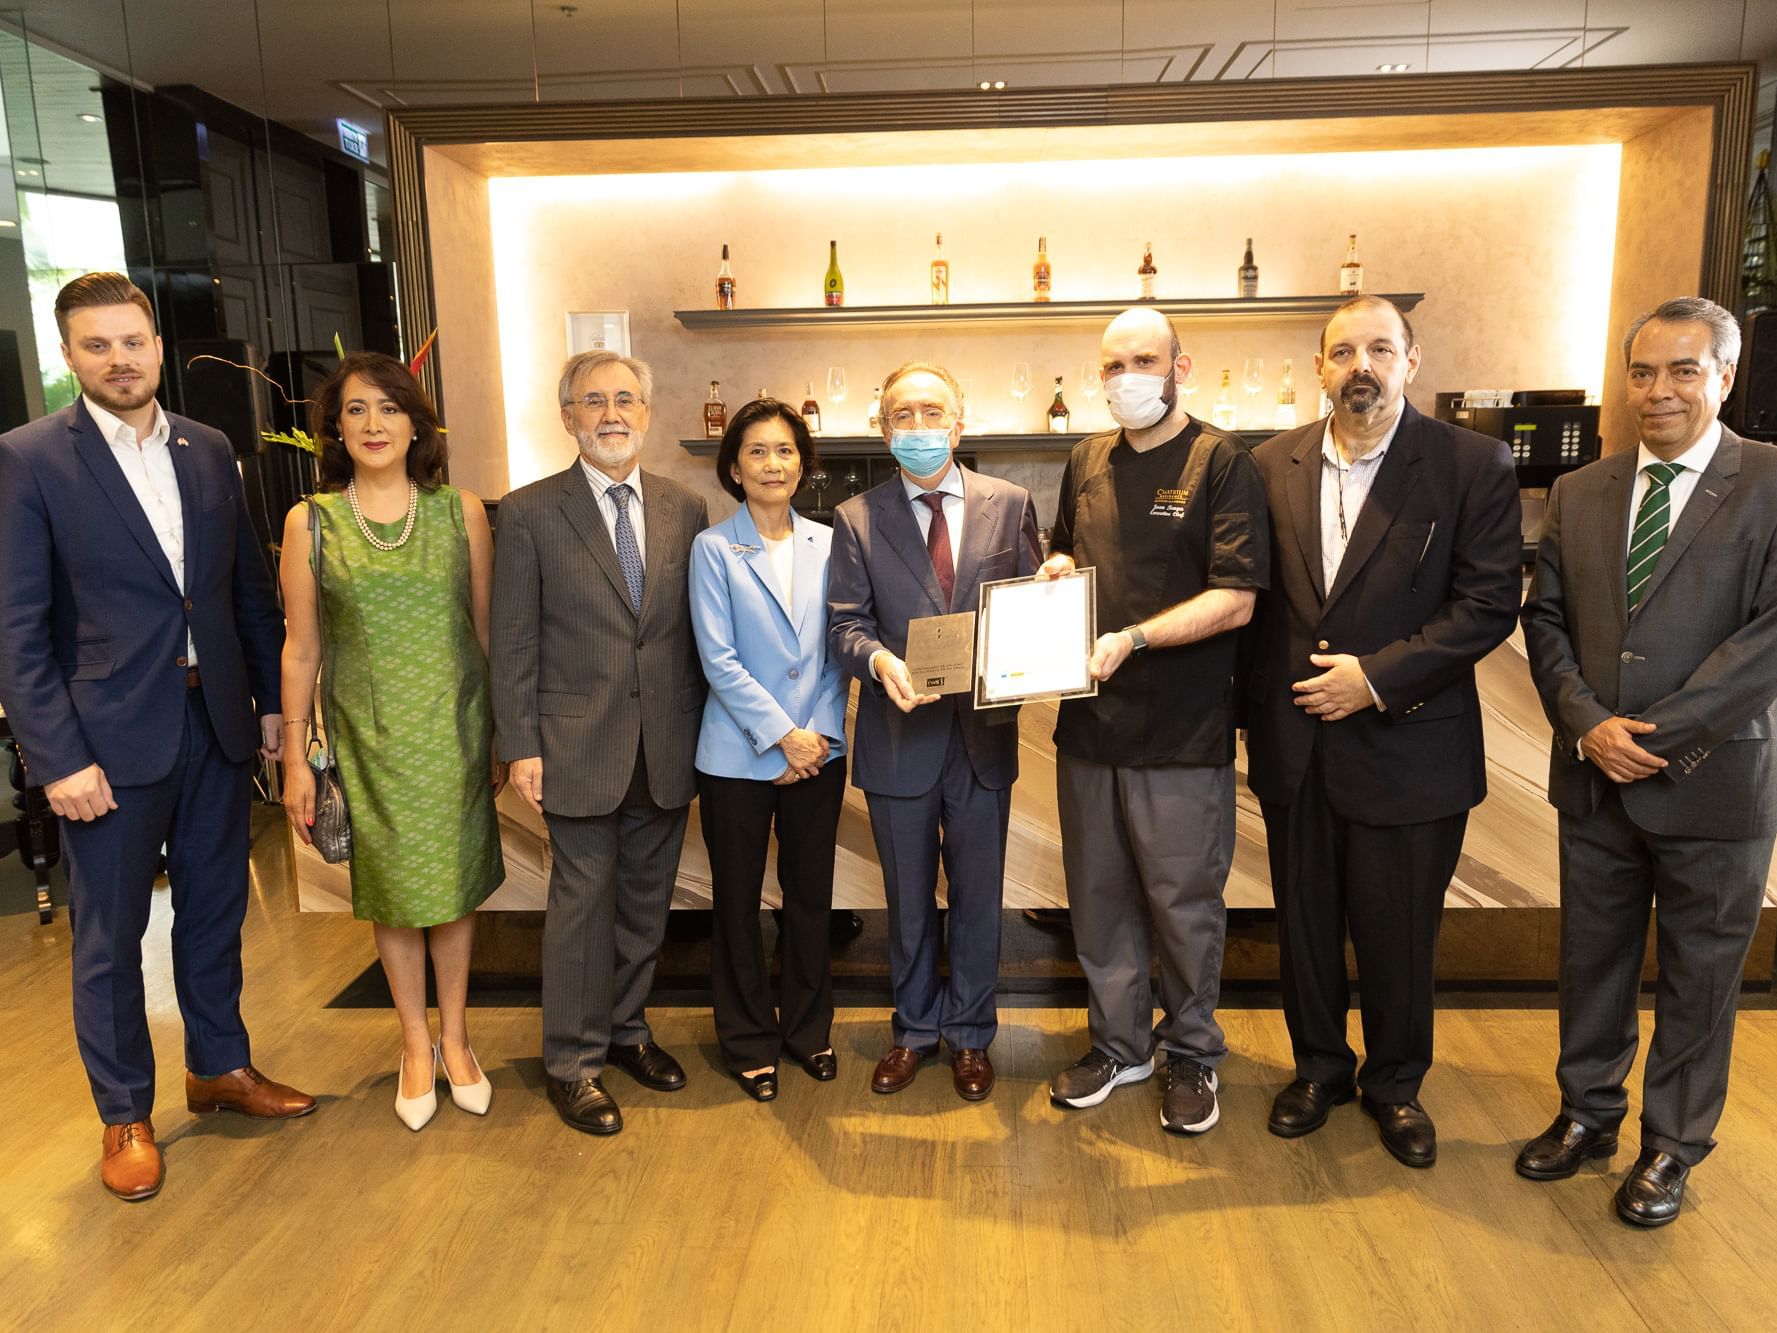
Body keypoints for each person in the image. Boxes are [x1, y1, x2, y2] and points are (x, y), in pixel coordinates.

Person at [0, 272, 312, 1202]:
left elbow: (242, 586)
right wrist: (54, 758)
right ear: (69, 356)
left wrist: (263, 702)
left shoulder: (208, 447)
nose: (119, 359)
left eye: (132, 341)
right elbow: (16, 627)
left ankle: (220, 1066)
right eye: (97, 345)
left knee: (217, 911)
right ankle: (124, 1113)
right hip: (103, 741)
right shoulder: (28, 458)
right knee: (110, 939)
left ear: (158, 346)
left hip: (211, 717)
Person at [1517, 297, 1777, 1227]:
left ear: (1724, 378)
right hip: (1593, 775)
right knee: (1590, 959)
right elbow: (1542, 617)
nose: (1656, 391)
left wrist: (1653, 737)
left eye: (1681, 371)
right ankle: (1587, 1114)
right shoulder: (1581, 490)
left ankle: (1671, 1146)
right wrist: (1586, 723)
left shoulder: (1770, 482)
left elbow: (1767, 639)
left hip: (1713, 783)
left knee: (1702, 978)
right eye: (1640, 371)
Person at [1245, 295, 1521, 1167]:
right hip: (1296, 746)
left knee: (1400, 930)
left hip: (1410, 746)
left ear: (1410, 359)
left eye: (1378, 348)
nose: (1358, 365)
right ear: (1317, 367)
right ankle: (1319, 1067)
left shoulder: (1471, 463)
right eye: (1341, 351)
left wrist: (1372, 679)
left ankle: (1395, 1084)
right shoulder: (1265, 464)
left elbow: (1485, 606)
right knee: (1306, 925)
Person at [1040, 308, 1268, 1135]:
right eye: (1111, 364)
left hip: (1181, 730)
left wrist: (1133, 636)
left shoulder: (1221, 461)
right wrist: (1058, 569)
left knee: (1183, 903)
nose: (1125, 376)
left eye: (1143, 359)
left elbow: (1235, 598)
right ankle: (1118, 1043)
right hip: (1089, 725)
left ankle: (1193, 1054)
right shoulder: (1084, 457)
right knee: (1098, 901)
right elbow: (1065, 548)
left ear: (1180, 366)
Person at [277, 352, 506, 1132]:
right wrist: (296, 761)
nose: (373, 424)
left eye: (389, 408)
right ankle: (415, 1045)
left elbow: (483, 631)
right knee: (397, 895)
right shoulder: (310, 523)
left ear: (416, 423)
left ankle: (458, 1039)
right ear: (335, 429)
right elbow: (301, 650)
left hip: (455, 730)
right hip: (366, 739)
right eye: (355, 411)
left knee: (452, 889)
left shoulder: (460, 512)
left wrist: (502, 730)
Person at [490, 350, 708, 1136]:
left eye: (625, 399)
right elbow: (510, 640)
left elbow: (691, 634)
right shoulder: (527, 513)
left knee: (646, 905)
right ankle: (572, 1062)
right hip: (573, 745)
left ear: (647, 412)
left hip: (666, 742)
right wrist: (519, 745)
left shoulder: (686, 506)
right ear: (568, 417)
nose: (611, 412)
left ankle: (626, 1029)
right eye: (593, 401)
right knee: (581, 908)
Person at [827, 360, 1041, 1101]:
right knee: (908, 898)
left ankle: (972, 1036)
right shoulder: (855, 518)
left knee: (978, 896)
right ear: (883, 429)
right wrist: (879, 658)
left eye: (931, 412)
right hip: (897, 737)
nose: (917, 427)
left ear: (959, 420)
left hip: (982, 740)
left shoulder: (1010, 504)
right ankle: (914, 1029)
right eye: (901, 415)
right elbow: (844, 625)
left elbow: (1033, 610)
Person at [690, 399, 848, 1102]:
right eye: (756, 451)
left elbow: (842, 644)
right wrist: (780, 732)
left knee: (810, 900)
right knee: (736, 901)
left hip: (817, 749)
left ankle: (809, 1029)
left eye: (784, 450)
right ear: (733, 467)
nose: (772, 463)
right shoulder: (712, 548)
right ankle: (748, 1038)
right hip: (737, 753)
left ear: (803, 463)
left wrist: (811, 735)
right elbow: (717, 657)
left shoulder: (832, 541)